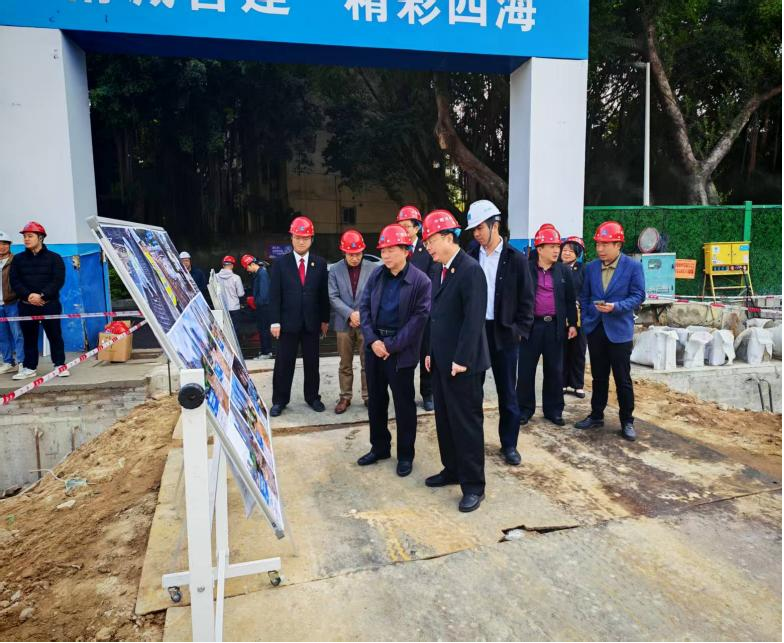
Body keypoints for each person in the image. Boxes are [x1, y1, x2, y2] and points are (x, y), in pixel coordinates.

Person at [422, 210, 490, 513]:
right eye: (426, 243)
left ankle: (473, 485)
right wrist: (429, 351)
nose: (428, 248)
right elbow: (435, 316)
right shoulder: (439, 270)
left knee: (466, 424)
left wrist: (461, 358)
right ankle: (451, 469)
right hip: (441, 361)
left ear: (449, 238)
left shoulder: (470, 270)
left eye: (431, 241)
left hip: (463, 365)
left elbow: (473, 320)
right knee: (445, 420)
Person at [357, 224, 431, 476]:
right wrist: (373, 341)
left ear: (405, 250)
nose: (385, 255)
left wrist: (390, 345)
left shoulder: (420, 281)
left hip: (400, 352)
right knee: (376, 401)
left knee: (404, 404)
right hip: (375, 347)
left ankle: (406, 455)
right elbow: (364, 308)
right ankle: (379, 447)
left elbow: (419, 320)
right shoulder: (377, 275)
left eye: (390, 250)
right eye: (383, 250)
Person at [466, 200, 535, 466]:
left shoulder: (516, 259)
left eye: (480, 228)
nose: (476, 234)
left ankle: (509, 445)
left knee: (507, 393)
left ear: (495, 225)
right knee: (473, 392)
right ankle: (473, 444)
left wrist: (518, 331)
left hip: (504, 333)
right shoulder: (471, 254)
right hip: (477, 332)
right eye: (473, 230)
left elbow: (527, 301)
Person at [576, 221, 646, 442]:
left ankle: (627, 420)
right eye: (598, 244)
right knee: (599, 377)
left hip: (619, 331)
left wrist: (617, 307)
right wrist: (587, 317)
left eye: (605, 244)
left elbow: (638, 295)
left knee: (622, 378)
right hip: (596, 328)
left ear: (618, 245)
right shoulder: (591, 267)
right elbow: (584, 296)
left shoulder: (632, 267)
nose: (600, 249)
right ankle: (596, 415)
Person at [269, 216, 330, 416]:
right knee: (284, 363)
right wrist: (275, 321)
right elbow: (275, 295)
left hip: (312, 323)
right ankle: (279, 400)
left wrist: (325, 319)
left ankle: (313, 397)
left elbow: (323, 294)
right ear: (292, 238)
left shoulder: (319, 263)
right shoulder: (280, 264)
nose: (301, 241)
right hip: (287, 323)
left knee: (312, 363)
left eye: (305, 238)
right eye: (297, 237)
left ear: (311, 239)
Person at [517, 225, 577, 427]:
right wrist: (517, 326)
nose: (556, 250)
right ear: (540, 248)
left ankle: (553, 410)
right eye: (551, 246)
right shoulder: (526, 269)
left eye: (557, 246)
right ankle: (524, 409)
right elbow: (517, 298)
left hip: (554, 327)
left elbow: (570, 300)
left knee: (554, 370)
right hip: (531, 327)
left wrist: (573, 324)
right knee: (526, 371)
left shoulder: (563, 271)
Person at [9, 221, 67, 380]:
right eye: (24, 237)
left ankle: (59, 365)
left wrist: (42, 295)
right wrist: (29, 296)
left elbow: (58, 281)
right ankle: (29, 367)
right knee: (29, 337)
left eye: (30, 236)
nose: (26, 239)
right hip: (26, 305)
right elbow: (14, 281)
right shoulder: (18, 259)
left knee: (55, 335)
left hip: (49, 304)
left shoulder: (54, 258)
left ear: (40, 238)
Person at [328, 230, 378, 414]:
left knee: (368, 362)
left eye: (358, 254)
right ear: (344, 252)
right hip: (343, 323)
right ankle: (345, 396)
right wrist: (350, 314)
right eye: (351, 254)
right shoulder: (335, 270)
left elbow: (375, 294)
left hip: (366, 323)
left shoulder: (373, 269)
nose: (355, 258)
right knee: (345, 363)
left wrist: (361, 315)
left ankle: (368, 395)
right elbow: (333, 296)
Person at [395, 205, 437, 411]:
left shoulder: (426, 250)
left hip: (423, 312)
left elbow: (432, 281)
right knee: (405, 356)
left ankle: (427, 393)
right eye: (400, 226)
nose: (403, 230)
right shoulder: (397, 249)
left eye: (406, 226)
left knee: (425, 353)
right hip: (402, 313)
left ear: (417, 227)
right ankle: (406, 394)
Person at [560, 236, 587, 399]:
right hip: (560, 315)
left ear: (577, 253)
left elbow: (587, 290)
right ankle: (562, 382)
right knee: (561, 350)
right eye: (564, 250)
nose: (566, 253)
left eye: (570, 251)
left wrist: (578, 302)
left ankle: (577, 384)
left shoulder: (583, 269)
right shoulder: (556, 268)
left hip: (579, 315)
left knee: (578, 350)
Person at [0, 230, 25, 375]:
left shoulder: (16, 261)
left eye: (5, 244)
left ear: (9, 245)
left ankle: (22, 362)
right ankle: (8, 362)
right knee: (2, 336)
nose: (1, 247)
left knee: (18, 334)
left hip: (12, 303)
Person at [241, 254, 273, 360]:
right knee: (263, 329)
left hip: (263, 307)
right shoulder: (259, 273)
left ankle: (266, 352)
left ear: (252, 264)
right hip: (262, 306)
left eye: (247, 267)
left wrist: (256, 302)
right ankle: (266, 350)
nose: (247, 270)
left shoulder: (262, 273)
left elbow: (264, 293)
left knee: (264, 329)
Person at [216, 256, 245, 329]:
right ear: (232, 265)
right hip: (234, 307)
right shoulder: (236, 277)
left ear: (223, 265)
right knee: (235, 330)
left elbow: (215, 292)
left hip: (221, 307)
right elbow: (240, 294)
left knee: (224, 330)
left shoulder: (215, 277)